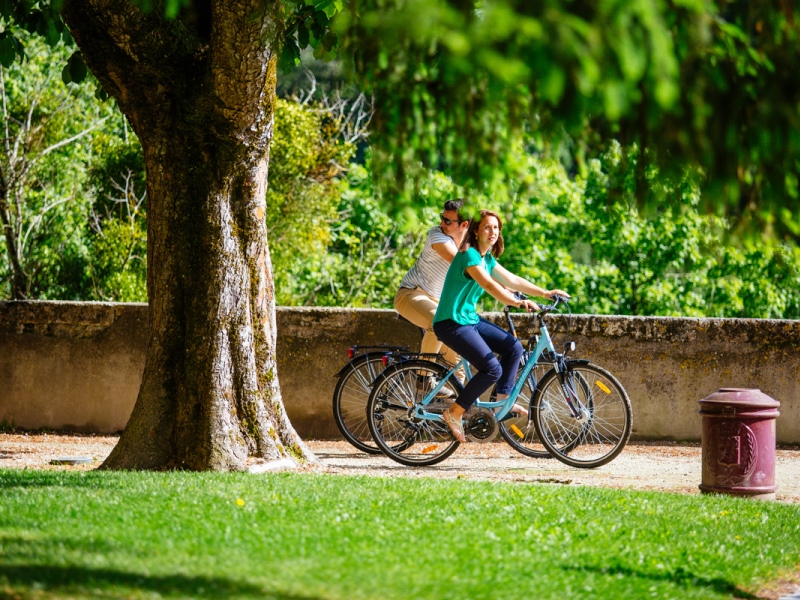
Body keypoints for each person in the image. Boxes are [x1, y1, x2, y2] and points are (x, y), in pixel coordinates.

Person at [432, 209, 570, 442]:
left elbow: (510, 279)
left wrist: (546, 293)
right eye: (487, 227)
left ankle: (502, 404)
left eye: (496, 227)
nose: (492, 232)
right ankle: (454, 412)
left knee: (513, 348)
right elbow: (489, 285)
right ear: (475, 230)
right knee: (492, 369)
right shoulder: (469, 255)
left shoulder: (486, 258)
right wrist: (516, 301)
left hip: (468, 319)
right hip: (451, 322)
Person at [394, 199, 470, 396]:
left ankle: (447, 413)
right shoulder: (437, 235)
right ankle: (423, 377)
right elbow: (459, 263)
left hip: (440, 304)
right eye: (442, 218)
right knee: (438, 321)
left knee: (460, 362)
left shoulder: (470, 246)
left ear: (464, 225)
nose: (442, 223)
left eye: (448, 221)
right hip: (411, 294)